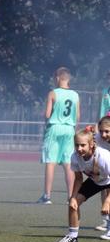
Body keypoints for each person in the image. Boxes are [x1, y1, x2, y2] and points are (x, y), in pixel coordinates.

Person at [51, 128, 110, 242]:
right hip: (96, 181)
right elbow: (78, 179)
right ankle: (72, 238)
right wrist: (72, 197)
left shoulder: (103, 156)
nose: (79, 149)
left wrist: (108, 201)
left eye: (83, 145)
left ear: (91, 144)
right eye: (76, 145)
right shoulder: (75, 157)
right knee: (74, 203)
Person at [38, 67, 79, 204]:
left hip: (55, 127)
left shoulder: (53, 93)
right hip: (69, 129)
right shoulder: (75, 95)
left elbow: (47, 115)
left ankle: (47, 196)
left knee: (51, 162)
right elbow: (77, 116)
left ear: (57, 78)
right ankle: (70, 197)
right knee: (68, 163)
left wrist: (44, 119)